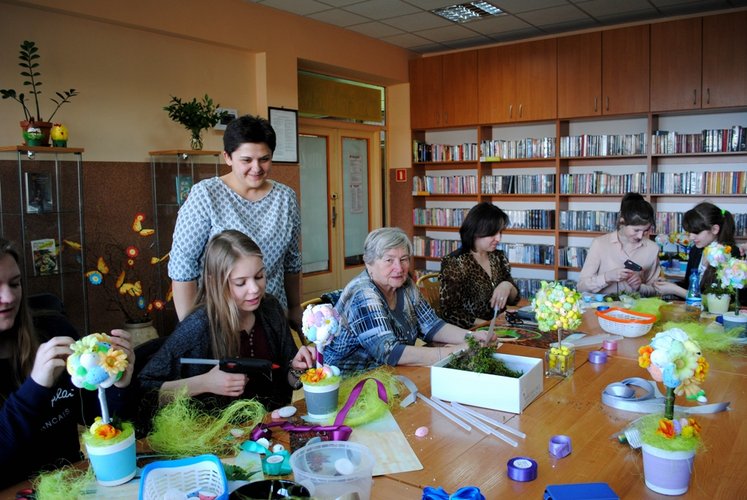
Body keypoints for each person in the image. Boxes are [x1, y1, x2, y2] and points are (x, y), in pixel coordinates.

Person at [0, 239, 134, 489]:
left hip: (77, 483)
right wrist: (35, 389)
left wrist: (117, 384)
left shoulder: (54, 332)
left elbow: (104, 419)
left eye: (15, 284)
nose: (8, 297)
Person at [139, 230, 315, 411]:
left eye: (259, 276)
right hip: (214, 428)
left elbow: (289, 377)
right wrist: (204, 383)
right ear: (215, 282)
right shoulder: (198, 326)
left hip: (272, 423)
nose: (255, 289)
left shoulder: (271, 308)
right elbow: (144, 391)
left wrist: (297, 369)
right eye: (241, 283)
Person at [169, 114, 302, 328]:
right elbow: (182, 268)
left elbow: (292, 261)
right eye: (246, 160)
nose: (256, 168)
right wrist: (191, 328)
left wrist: (295, 308)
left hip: (271, 316)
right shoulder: (206, 195)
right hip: (221, 320)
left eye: (264, 159)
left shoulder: (285, 197)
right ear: (228, 157)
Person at [324, 227, 492, 374]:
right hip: (351, 382)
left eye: (404, 259)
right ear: (369, 263)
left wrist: (472, 337)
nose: (399, 268)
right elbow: (389, 352)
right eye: (389, 260)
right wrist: (455, 352)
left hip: (390, 373)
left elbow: (432, 325)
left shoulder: (405, 284)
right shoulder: (363, 293)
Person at [439, 202, 520, 328]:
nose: (498, 238)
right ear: (476, 231)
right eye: (493, 233)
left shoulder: (498, 257)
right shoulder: (454, 262)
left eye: (500, 232)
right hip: (471, 332)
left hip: (500, 328)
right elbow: (449, 313)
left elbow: (514, 299)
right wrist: (489, 325)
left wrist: (507, 285)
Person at [578, 192, 661, 296]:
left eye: (646, 230)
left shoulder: (653, 249)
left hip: (637, 306)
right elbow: (581, 287)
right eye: (636, 230)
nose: (640, 236)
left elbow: (657, 291)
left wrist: (640, 287)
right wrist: (606, 277)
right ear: (622, 221)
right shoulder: (599, 244)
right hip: (602, 305)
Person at [655, 202, 743, 299]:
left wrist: (675, 290)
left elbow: (721, 300)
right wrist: (669, 284)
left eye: (696, 232)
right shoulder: (696, 250)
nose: (691, 237)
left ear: (714, 229)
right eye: (690, 232)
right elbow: (689, 286)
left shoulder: (730, 253)